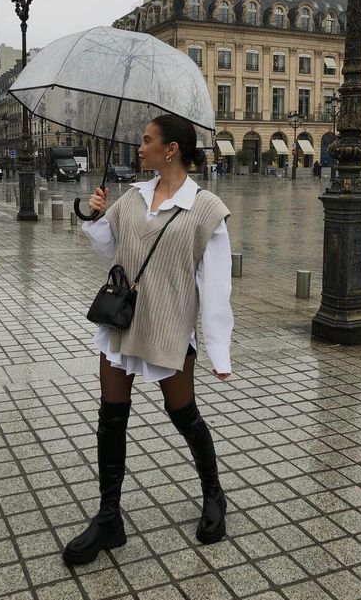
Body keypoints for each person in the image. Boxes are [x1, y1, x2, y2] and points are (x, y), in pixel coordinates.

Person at [62, 114, 233, 566]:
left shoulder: (205, 208)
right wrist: (97, 217)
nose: (140, 147)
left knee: (183, 413)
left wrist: (218, 348)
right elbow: (112, 254)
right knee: (111, 418)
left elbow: (215, 285)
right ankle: (109, 518)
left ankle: (214, 493)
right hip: (122, 324)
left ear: (171, 148)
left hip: (169, 326)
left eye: (147, 140)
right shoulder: (133, 197)